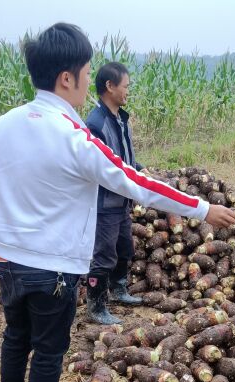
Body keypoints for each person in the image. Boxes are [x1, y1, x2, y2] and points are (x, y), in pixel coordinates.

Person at [0, 23, 235, 382]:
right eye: (85, 72)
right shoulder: (74, 136)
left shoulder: (3, 125)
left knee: (16, 335)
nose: (87, 81)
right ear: (68, 77)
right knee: (49, 345)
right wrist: (204, 208)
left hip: (6, 257)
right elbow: (135, 182)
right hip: (52, 263)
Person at [85, 62, 144, 325]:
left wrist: (140, 170)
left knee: (124, 248)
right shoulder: (96, 123)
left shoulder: (121, 119)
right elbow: (103, 166)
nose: (128, 91)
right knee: (104, 253)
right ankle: (96, 305)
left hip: (122, 198)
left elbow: (124, 157)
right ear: (109, 86)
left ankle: (119, 289)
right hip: (105, 200)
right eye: (126, 86)